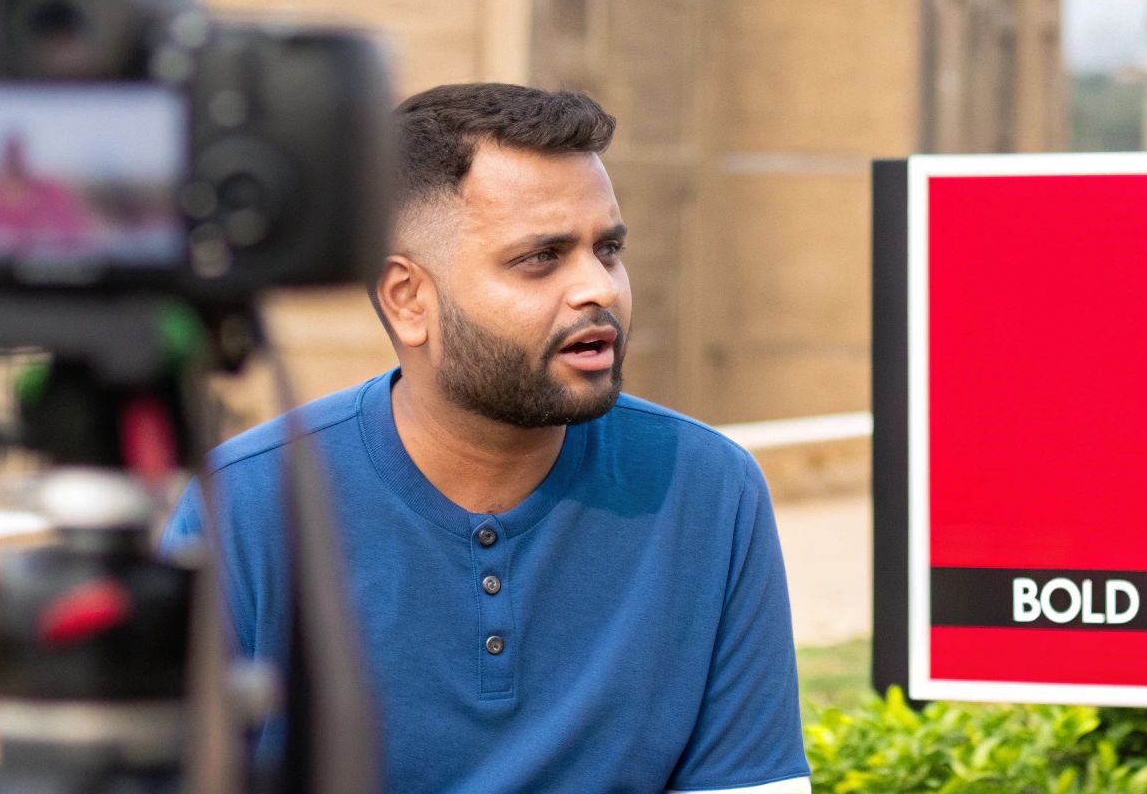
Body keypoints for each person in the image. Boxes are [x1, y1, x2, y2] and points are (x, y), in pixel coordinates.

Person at [163, 83, 810, 794]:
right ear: (408, 299)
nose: (597, 288)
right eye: (542, 257)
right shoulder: (251, 503)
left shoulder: (708, 487)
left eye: (609, 248)